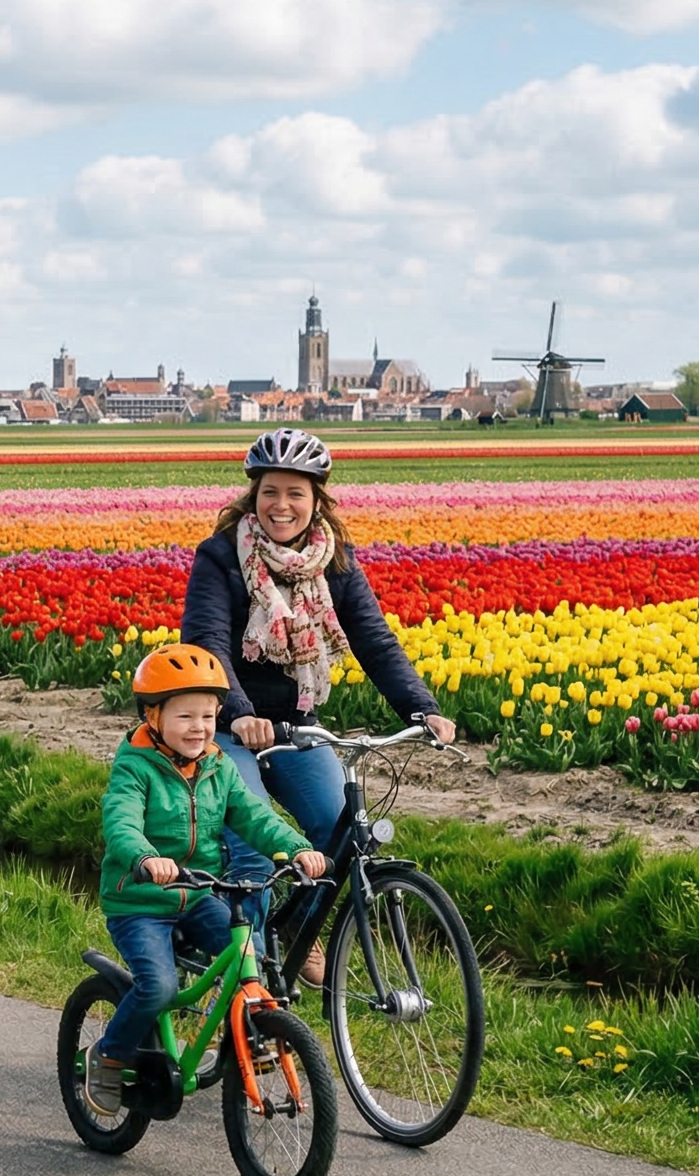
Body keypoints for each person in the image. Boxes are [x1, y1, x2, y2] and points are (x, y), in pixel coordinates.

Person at [179, 428, 452, 980]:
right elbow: (206, 639)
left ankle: (295, 933)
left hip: (298, 726)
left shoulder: (336, 563)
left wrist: (422, 710)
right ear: (253, 495)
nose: (282, 505)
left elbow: (374, 641)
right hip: (230, 728)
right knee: (253, 845)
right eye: (271, 491)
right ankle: (246, 975)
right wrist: (238, 711)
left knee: (339, 828)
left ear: (316, 500)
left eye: (295, 493)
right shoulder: (221, 558)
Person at [85, 644, 327, 1118]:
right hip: (141, 900)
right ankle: (110, 1055)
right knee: (158, 988)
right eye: (185, 717)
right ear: (152, 717)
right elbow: (122, 824)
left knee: (248, 956)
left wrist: (296, 847)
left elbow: (255, 816)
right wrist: (146, 857)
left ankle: (251, 1034)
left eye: (208, 716)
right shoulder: (135, 768)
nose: (199, 728)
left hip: (198, 893)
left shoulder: (219, 766)